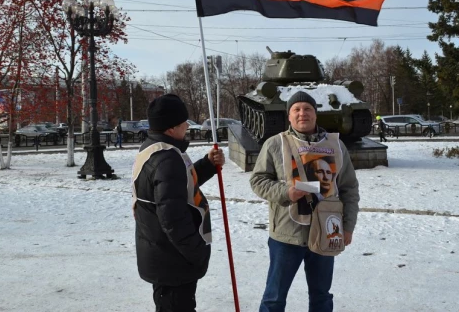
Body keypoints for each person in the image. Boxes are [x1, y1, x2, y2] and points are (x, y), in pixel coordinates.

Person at [250, 90, 360, 312]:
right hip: (286, 234)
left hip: (327, 230)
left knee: (321, 296)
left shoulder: (336, 146)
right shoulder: (274, 144)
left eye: (308, 108)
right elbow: (258, 181)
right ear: (289, 116)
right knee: (274, 297)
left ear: (316, 114)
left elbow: (349, 189)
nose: (302, 113)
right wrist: (285, 192)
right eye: (296, 109)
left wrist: (347, 227)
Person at [132, 94, 225, 312]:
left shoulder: (158, 149)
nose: (187, 125)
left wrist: (208, 165)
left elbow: (179, 187)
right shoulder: (166, 158)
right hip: (173, 261)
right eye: (183, 121)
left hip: (165, 256)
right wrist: (198, 253)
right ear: (171, 127)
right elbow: (173, 218)